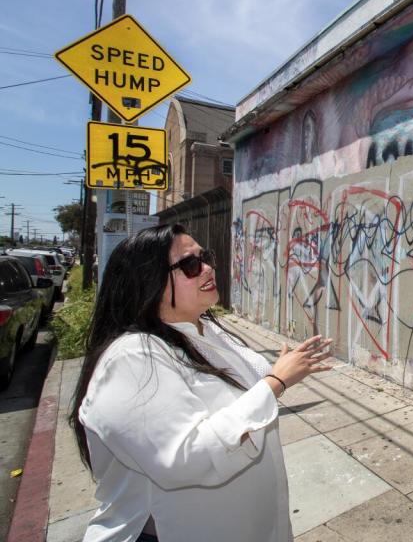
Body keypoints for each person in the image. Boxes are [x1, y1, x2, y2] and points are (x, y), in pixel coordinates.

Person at [69, 224, 333, 541]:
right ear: (148, 281)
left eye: (204, 257)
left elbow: (245, 384)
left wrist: (277, 372)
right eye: (190, 265)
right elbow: (185, 457)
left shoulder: (202, 329)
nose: (208, 268)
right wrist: (277, 381)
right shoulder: (131, 358)